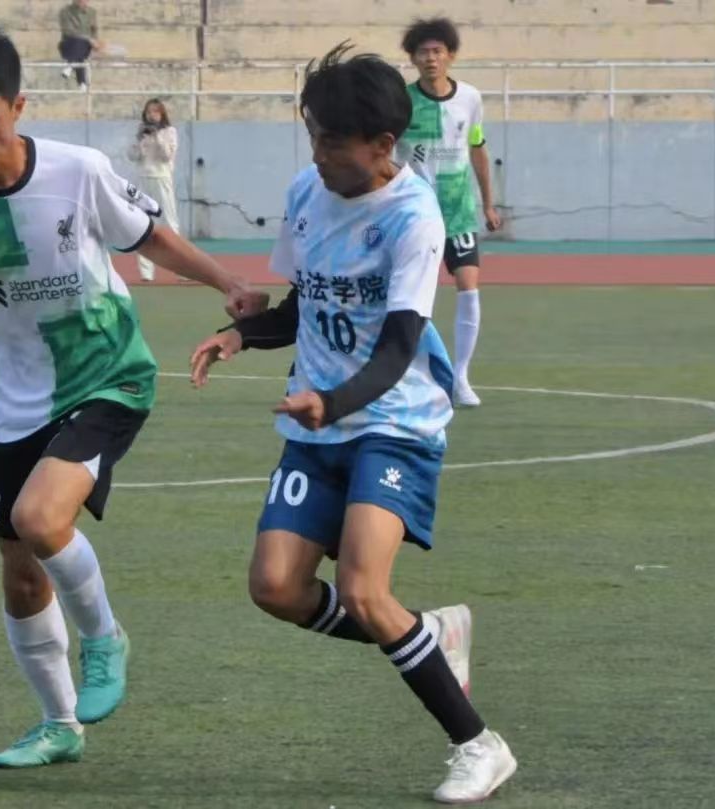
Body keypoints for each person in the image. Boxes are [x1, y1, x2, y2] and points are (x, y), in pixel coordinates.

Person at [0, 29, 266, 769]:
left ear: (18, 107)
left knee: (39, 518)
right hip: (22, 399)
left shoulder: (78, 170)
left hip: (109, 373)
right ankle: (60, 724)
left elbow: (150, 236)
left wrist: (226, 282)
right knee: (19, 567)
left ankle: (105, 637)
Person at [189, 43, 516, 804]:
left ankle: (479, 745)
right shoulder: (307, 190)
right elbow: (304, 305)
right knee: (276, 586)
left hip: (394, 421)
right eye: (313, 135)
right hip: (317, 423)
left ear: (382, 145)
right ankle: (427, 634)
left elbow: (400, 345)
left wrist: (332, 402)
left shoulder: (413, 216)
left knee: (365, 589)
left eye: (333, 141)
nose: (318, 153)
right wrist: (241, 335)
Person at [395, 17, 501, 408]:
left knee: (469, 287)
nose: (430, 58)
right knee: (411, 293)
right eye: (423, 52)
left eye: (437, 51)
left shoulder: (470, 98)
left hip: (458, 211)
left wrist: (487, 202)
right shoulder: (401, 101)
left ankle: (461, 377)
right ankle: (407, 370)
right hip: (415, 212)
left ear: (450, 55)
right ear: (412, 58)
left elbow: (477, 148)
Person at [127, 98, 179, 281]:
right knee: (143, 225)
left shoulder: (169, 131)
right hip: (143, 179)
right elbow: (132, 156)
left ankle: (182, 268)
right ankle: (146, 273)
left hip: (162, 178)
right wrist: (140, 141)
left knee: (170, 223)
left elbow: (167, 156)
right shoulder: (142, 132)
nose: (152, 115)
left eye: (156, 112)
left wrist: (157, 136)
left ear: (162, 114)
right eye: (149, 112)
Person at [58, 0, 100, 90]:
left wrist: (95, 42)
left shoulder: (92, 12)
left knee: (82, 45)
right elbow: (68, 31)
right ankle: (81, 81)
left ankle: (71, 65)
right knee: (78, 42)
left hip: (85, 47)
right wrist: (88, 38)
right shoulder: (65, 11)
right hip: (69, 45)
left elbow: (94, 31)